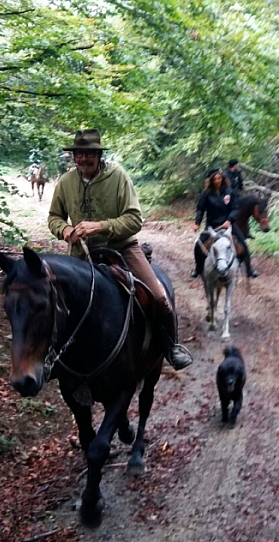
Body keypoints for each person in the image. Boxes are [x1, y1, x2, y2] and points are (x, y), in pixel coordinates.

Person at [48, 128, 193, 370]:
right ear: (74, 156)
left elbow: (135, 219)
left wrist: (100, 227)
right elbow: (54, 217)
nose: (83, 158)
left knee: (158, 297)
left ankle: (170, 346)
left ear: (98, 154)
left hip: (122, 248)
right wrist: (65, 231)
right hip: (82, 255)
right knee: (54, 302)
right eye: (79, 154)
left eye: (89, 153)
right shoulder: (66, 183)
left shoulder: (118, 177)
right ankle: (53, 359)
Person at [191, 168, 259, 278]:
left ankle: (249, 270)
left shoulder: (229, 191)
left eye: (219, 178)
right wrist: (197, 223)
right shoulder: (206, 194)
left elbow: (235, 208)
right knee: (197, 246)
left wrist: (229, 220)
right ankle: (198, 268)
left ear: (222, 178)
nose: (218, 181)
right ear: (211, 180)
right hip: (212, 226)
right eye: (215, 179)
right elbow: (200, 209)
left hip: (228, 225)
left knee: (244, 245)